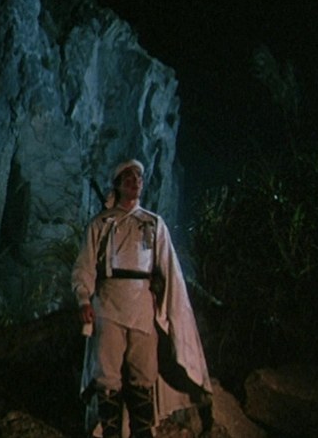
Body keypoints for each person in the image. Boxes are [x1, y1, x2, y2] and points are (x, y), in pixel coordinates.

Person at [73, 159, 213, 437]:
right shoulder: (100, 224)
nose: (135, 181)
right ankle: (111, 432)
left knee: (144, 374)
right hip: (108, 305)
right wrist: (83, 299)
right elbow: (84, 267)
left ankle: (142, 433)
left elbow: (169, 269)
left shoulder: (153, 224)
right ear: (118, 184)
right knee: (107, 375)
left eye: (138, 177)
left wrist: (168, 306)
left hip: (142, 307)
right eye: (128, 177)